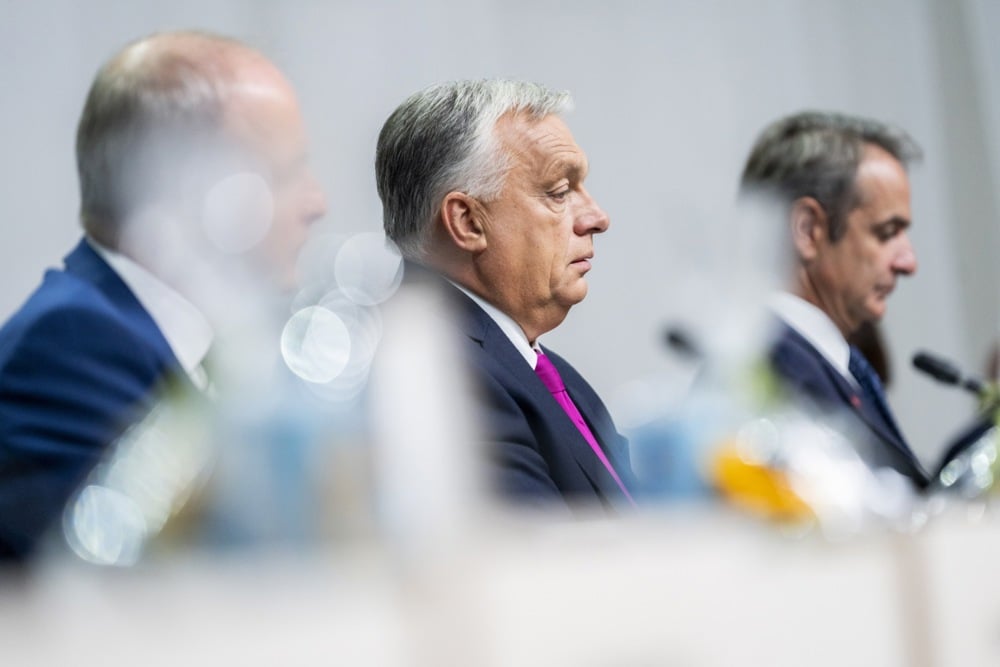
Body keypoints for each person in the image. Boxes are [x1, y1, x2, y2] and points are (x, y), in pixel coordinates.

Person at [0, 30, 327, 559]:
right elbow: (133, 594)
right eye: (286, 173)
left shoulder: (179, 337)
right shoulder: (70, 344)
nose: (317, 202)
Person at [375, 79, 636, 509]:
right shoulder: (444, 377)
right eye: (559, 192)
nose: (597, 217)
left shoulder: (547, 371)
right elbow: (545, 567)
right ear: (468, 222)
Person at [740, 111, 929, 488]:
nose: (909, 262)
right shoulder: (777, 376)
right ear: (808, 230)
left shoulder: (825, 364)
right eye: (887, 232)